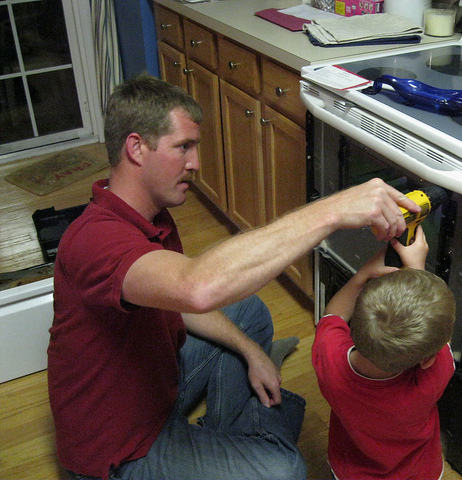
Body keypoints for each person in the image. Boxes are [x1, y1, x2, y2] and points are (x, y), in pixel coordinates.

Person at [47, 73, 420, 480]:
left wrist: (251, 351)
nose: (195, 163)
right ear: (136, 148)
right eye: (183, 147)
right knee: (285, 471)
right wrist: (333, 210)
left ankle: (223, 438)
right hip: (120, 450)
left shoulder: (150, 215)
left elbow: (176, 302)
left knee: (249, 313)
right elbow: (195, 289)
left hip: (154, 385)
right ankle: (237, 438)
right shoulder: (95, 239)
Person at [312, 225, 456, 480]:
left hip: (353, 472)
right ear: (427, 359)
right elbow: (439, 336)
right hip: (419, 472)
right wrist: (416, 269)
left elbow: (332, 315)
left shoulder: (329, 359)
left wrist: (364, 273)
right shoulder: (432, 378)